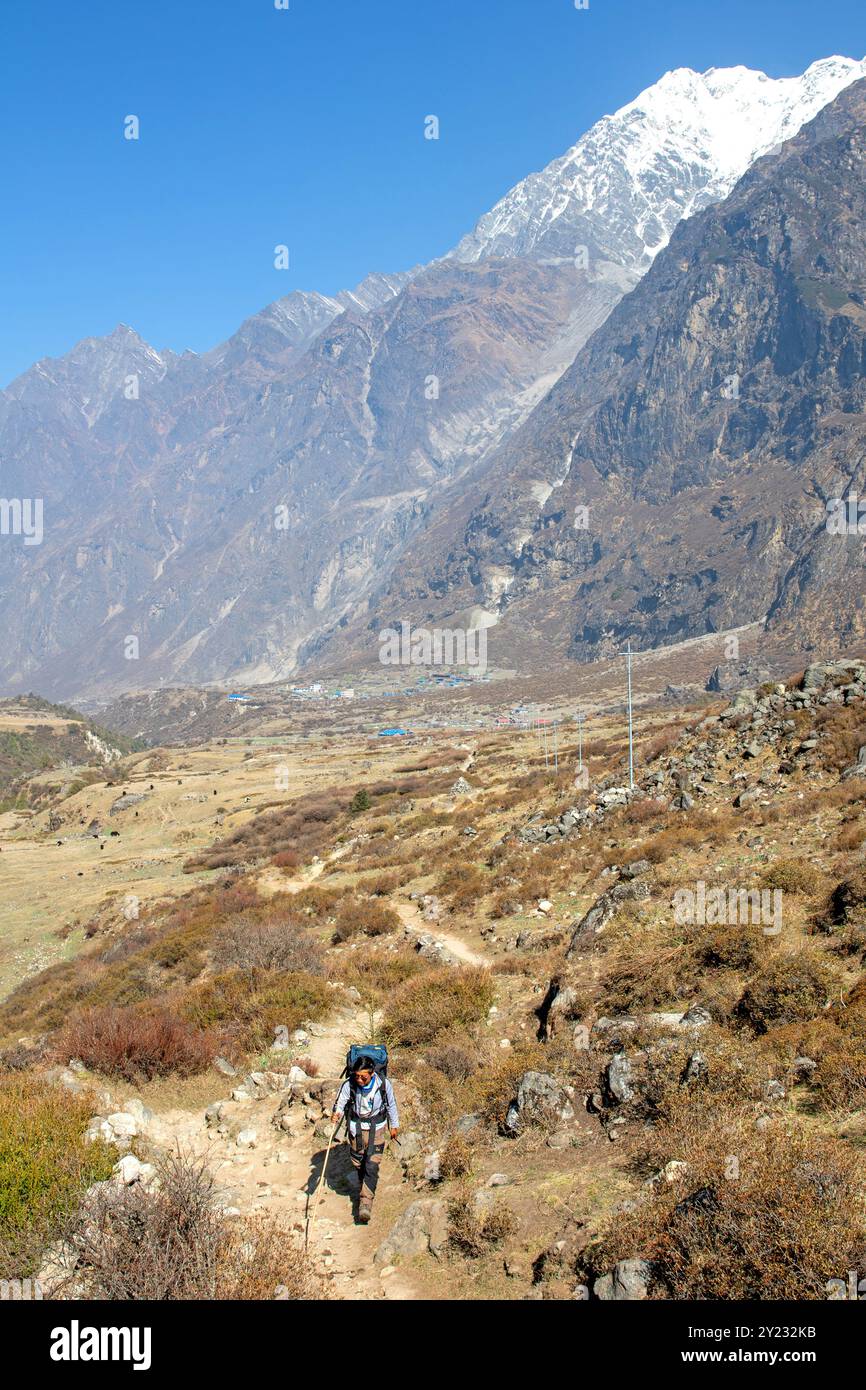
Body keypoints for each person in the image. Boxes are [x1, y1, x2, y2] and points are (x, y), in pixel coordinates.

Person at [332, 1056, 399, 1223]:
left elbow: (391, 1104)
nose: (360, 1080)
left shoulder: (383, 1084)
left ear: (372, 1073)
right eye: (357, 1076)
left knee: (372, 1164)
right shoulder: (349, 1084)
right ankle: (365, 1186)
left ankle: (365, 1203)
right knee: (359, 1162)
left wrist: (394, 1125)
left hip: (377, 1127)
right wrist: (337, 1113)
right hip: (356, 1128)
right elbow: (341, 1102)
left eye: (364, 1077)